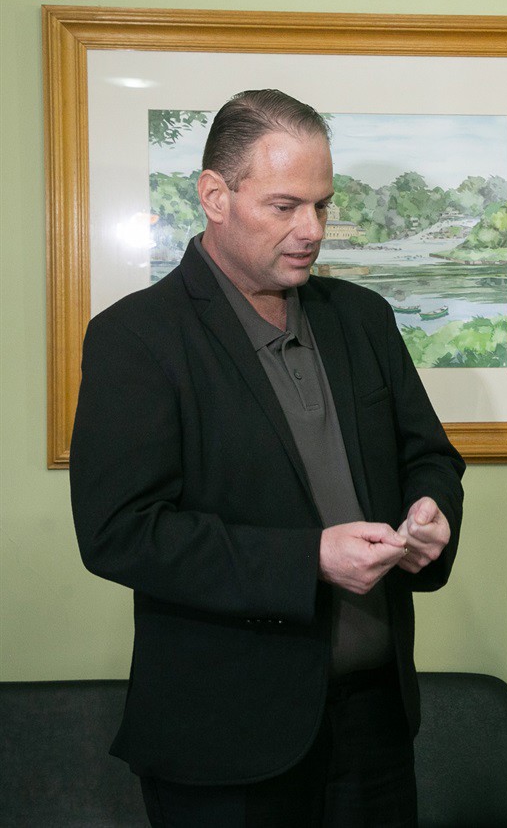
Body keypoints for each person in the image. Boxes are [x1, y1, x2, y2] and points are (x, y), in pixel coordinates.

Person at [69, 89, 465, 826]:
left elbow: (431, 456)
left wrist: (432, 508)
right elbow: (120, 532)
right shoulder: (135, 338)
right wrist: (310, 559)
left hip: (376, 729)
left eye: (322, 205)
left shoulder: (364, 319)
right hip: (224, 746)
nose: (312, 230)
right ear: (214, 196)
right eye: (285, 206)